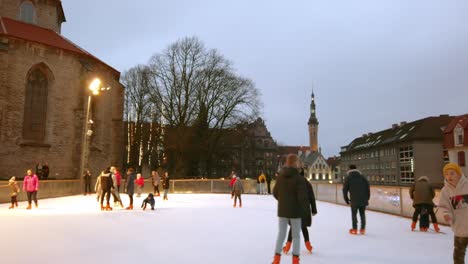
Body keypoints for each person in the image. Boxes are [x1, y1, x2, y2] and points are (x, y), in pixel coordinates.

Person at [272, 154, 309, 264]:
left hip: (282, 210)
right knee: (296, 235)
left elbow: (275, 192)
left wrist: (283, 201)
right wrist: (306, 211)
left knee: (281, 234)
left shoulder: (280, 176)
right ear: (296, 163)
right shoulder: (299, 178)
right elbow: (302, 197)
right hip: (295, 211)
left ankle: (276, 259)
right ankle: (295, 260)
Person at [282, 168, 317, 254]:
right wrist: (314, 209)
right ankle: (308, 245)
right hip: (305, 209)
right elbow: (312, 198)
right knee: (303, 226)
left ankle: (287, 247)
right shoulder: (308, 184)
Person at [439, 163, 468, 264]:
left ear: (459, 174)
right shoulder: (445, 191)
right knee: (458, 255)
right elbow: (443, 206)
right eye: (446, 174)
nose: (449, 176)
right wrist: (447, 214)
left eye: (452, 173)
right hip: (459, 228)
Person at [343, 164, 370, 235]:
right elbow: (367, 187)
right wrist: (367, 198)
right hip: (363, 199)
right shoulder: (362, 177)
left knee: (354, 214)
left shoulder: (348, 178)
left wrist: (346, 199)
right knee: (362, 214)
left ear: (349, 169)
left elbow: (345, 189)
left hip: (354, 199)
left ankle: (354, 229)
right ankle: (362, 229)